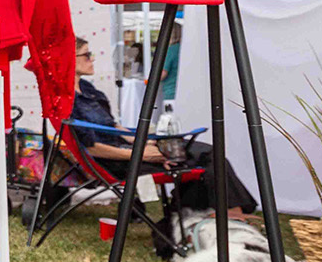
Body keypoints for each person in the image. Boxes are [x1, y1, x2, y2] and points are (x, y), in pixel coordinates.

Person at [70, 37, 256, 214]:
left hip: (129, 150)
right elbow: (91, 148)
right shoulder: (69, 100)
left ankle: (202, 211)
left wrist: (143, 142)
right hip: (117, 161)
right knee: (200, 157)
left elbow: (113, 126)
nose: (92, 59)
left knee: (199, 152)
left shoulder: (88, 89)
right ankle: (225, 211)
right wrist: (139, 153)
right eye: (87, 55)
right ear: (69, 59)